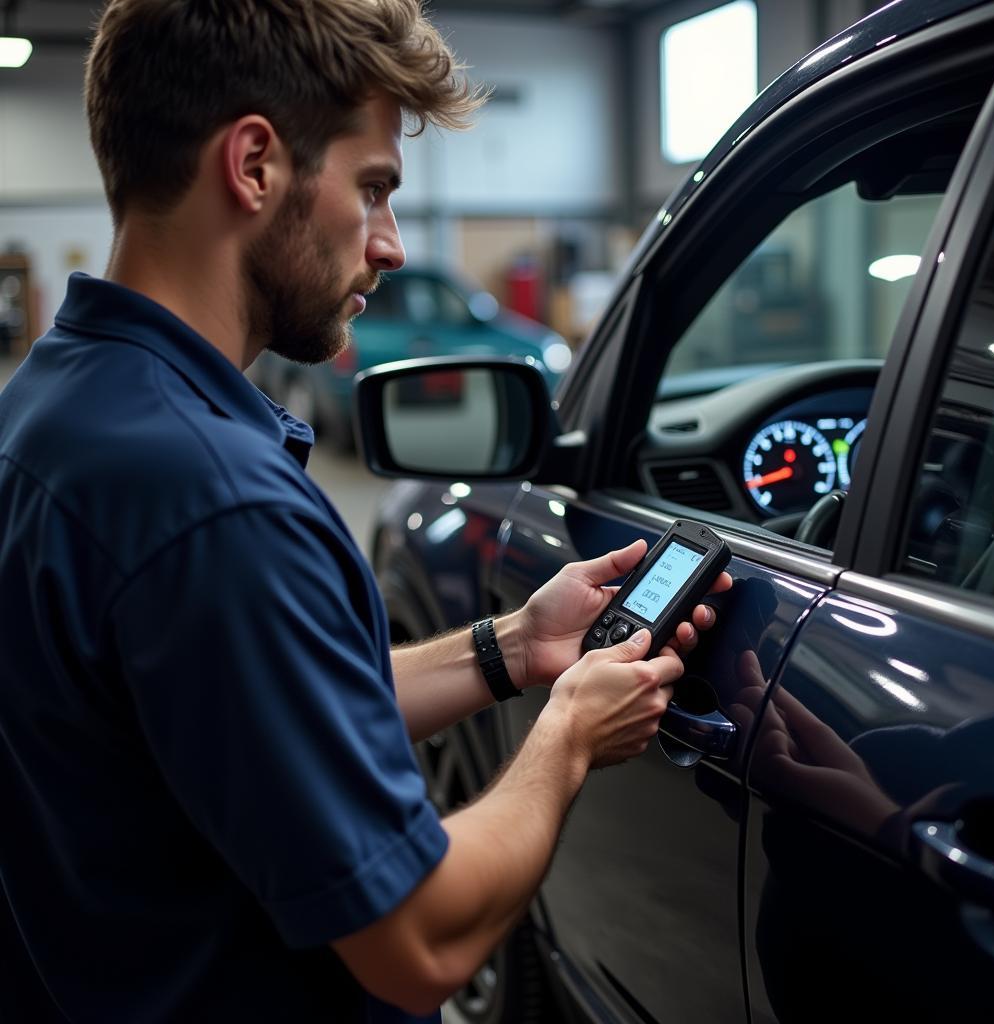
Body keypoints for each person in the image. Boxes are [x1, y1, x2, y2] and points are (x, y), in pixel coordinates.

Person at [0, 2, 731, 1021]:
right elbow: (420, 937)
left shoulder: (54, 404)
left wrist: (512, 647)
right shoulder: (214, 503)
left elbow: (263, 712)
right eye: (374, 188)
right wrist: (564, 734)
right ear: (254, 165)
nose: (388, 244)